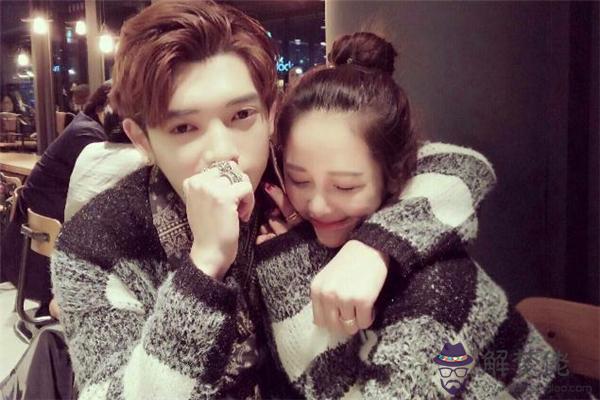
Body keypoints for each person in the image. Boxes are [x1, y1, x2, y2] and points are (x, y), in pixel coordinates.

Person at [50, 1, 495, 398]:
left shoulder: (293, 176)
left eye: (241, 115)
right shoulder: (96, 244)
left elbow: (454, 166)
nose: (222, 151)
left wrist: (375, 246)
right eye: (184, 127)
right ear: (141, 138)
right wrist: (203, 269)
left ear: (270, 113)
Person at [254, 32, 595, 399]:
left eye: (346, 186)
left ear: (394, 176)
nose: (318, 205)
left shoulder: (440, 286)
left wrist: (296, 273)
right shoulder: (316, 234)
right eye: (300, 180)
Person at [0, 82, 112, 318]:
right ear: (102, 108)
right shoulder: (89, 135)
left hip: (33, 234)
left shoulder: (83, 126)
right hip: (49, 242)